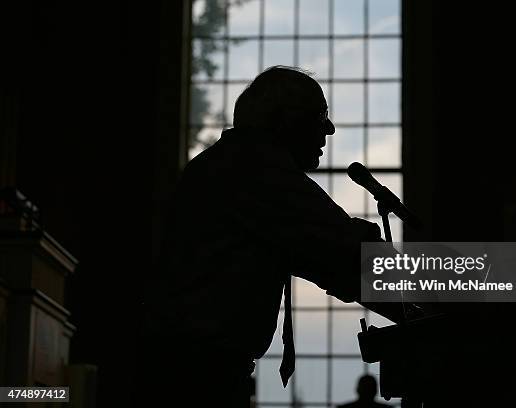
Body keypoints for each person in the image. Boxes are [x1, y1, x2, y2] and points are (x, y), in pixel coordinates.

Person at [135, 66, 405, 407]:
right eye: (320, 115)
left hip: (188, 371)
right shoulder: (252, 169)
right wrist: (481, 280)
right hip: (195, 379)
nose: (330, 128)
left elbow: (331, 259)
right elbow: (343, 251)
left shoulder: (232, 164)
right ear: (284, 120)